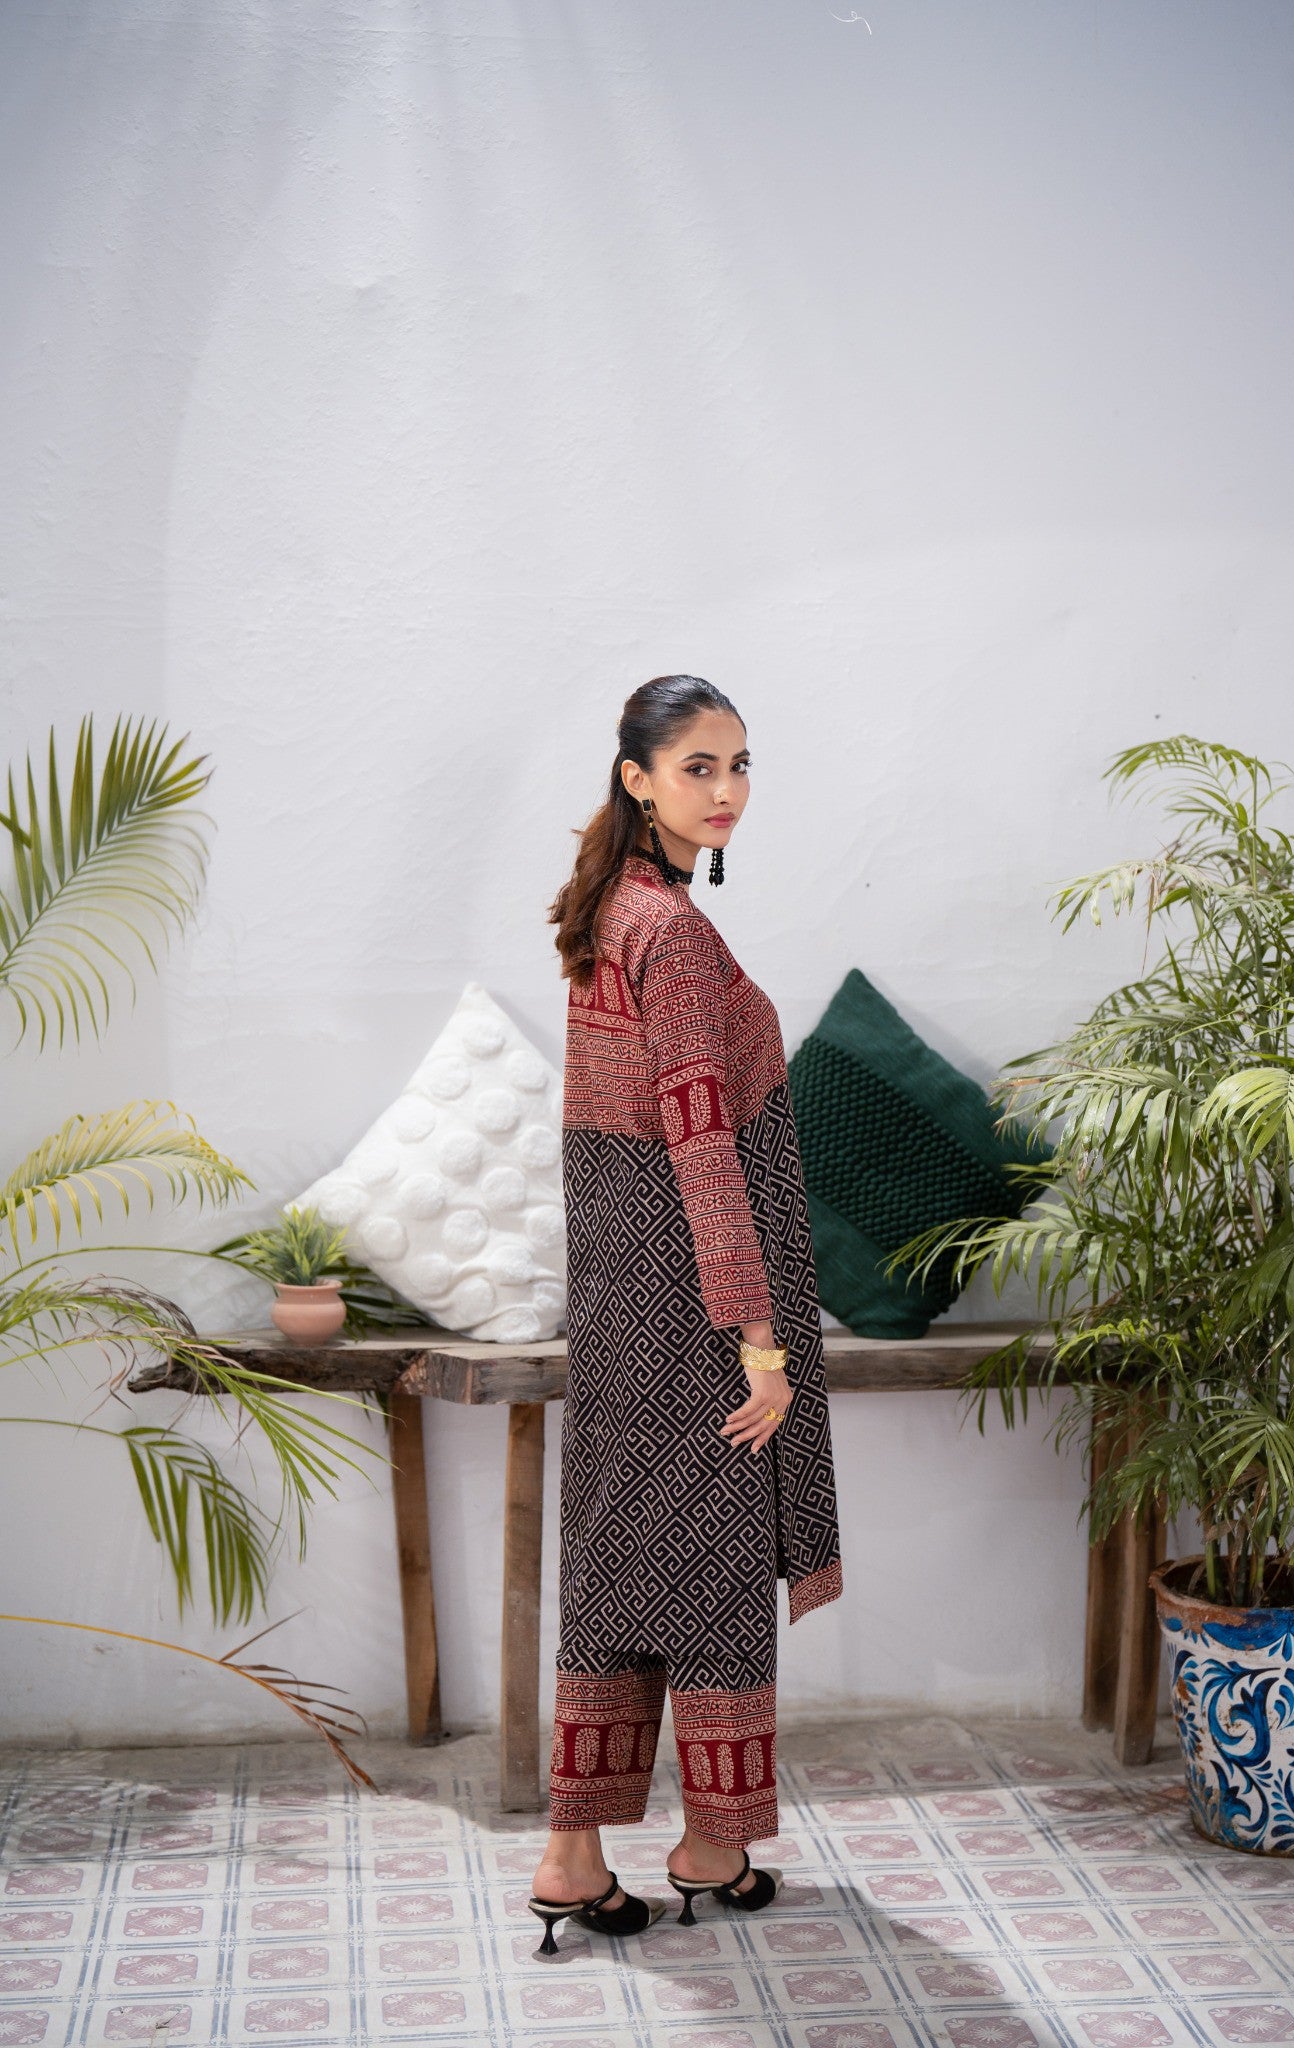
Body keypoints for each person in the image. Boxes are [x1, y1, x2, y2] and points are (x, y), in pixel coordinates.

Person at [530, 674, 842, 1957]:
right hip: (696, 1315)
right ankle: (711, 1843)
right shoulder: (671, 931)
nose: (727, 790)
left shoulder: (613, 909)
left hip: (620, 1307)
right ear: (638, 778)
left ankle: (572, 1854)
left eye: (740, 763)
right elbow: (705, 1148)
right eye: (699, 766)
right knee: (712, 1574)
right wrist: (758, 1339)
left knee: (616, 1567)